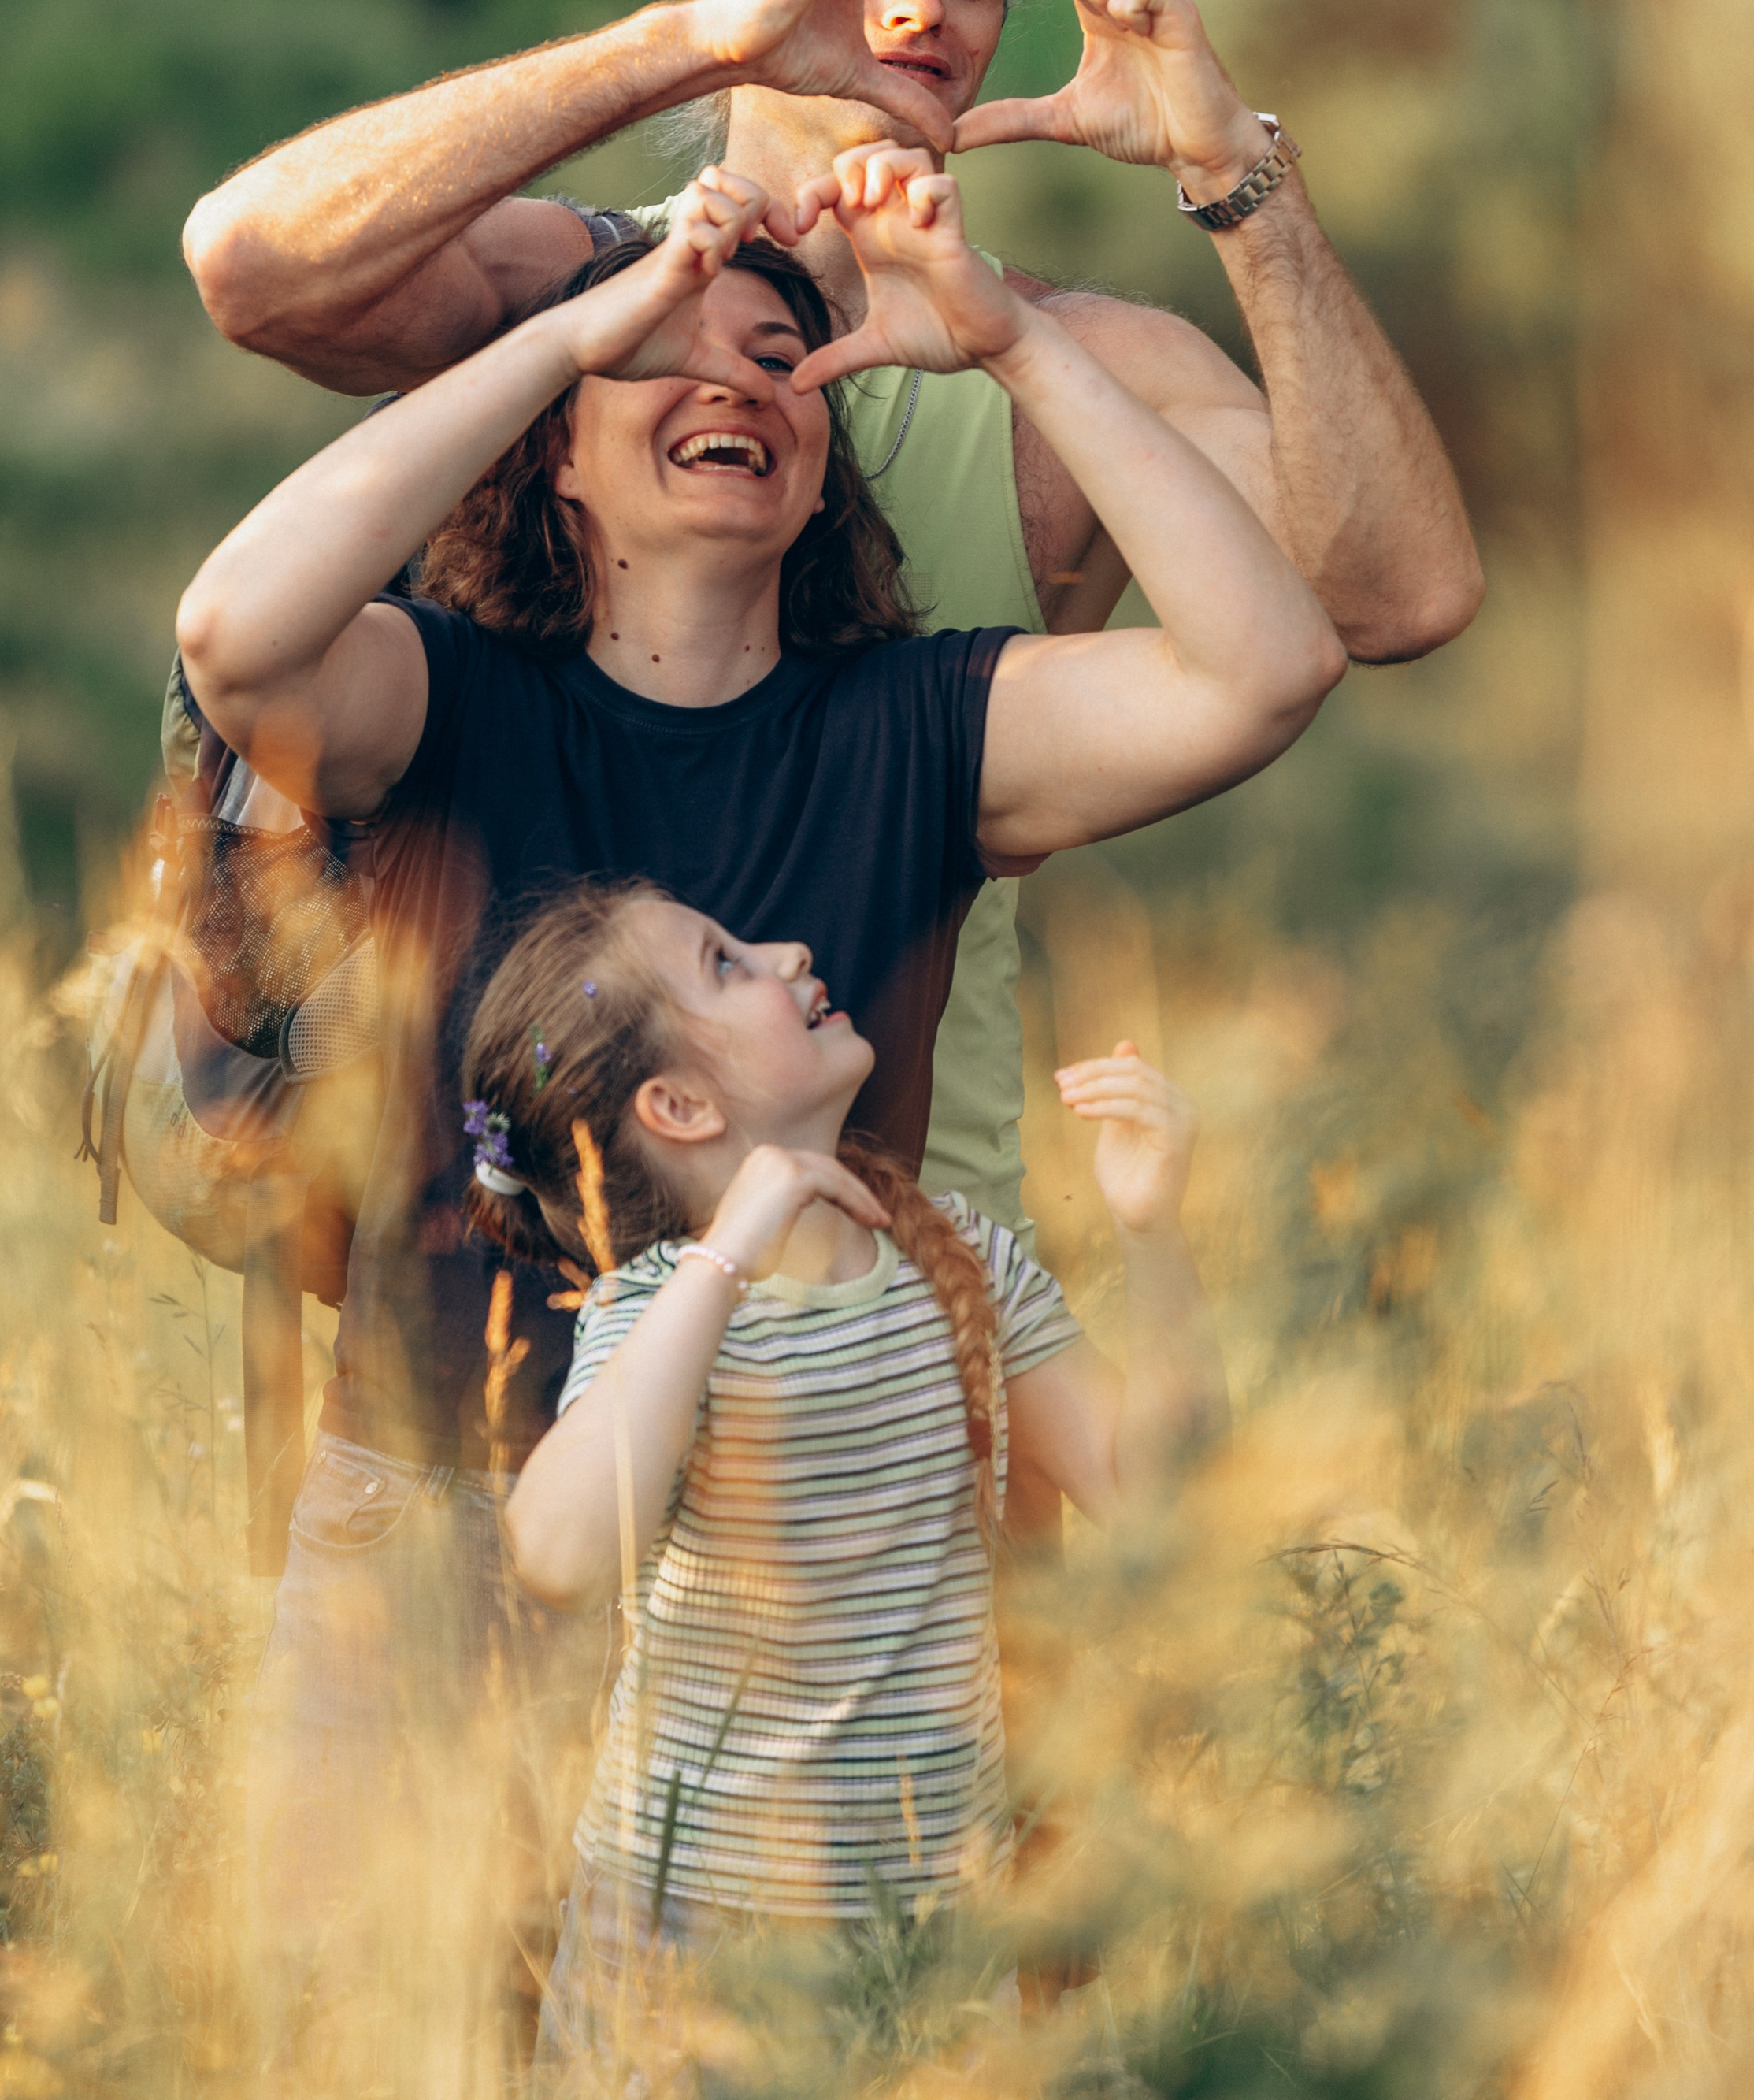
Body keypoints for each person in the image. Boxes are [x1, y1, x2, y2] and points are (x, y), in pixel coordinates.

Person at [176, 146, 1340, 2061]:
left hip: (804, 1549)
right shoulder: (448, 699)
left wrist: (1011, 343)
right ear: (560, 452)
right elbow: (237, 634)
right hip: (446, 1501)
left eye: (781, 361)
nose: (730, 381)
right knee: (358, 2041)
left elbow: (1266, 667)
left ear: (822, 456)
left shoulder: (915, 723)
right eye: (665, 360)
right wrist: (574, 322)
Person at [182, 0, 1482, 1237]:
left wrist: (1229, 161)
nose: (916, 8)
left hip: (902, 1238)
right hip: (483, 1234)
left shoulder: (1075, 374)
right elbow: (252, 268)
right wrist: (693, 46)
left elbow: (1397, 600)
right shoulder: (568, 305)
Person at [455, 878, 1222, 2068]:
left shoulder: (957, 1262)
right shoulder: (659, 1317)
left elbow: (1157, 1497)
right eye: (726, 963)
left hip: (928, 1939)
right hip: (690, 1956)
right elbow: (555, 1553)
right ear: (679, 1104)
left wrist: (1152, 1230)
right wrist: (727, 1257)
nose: (789, 950)